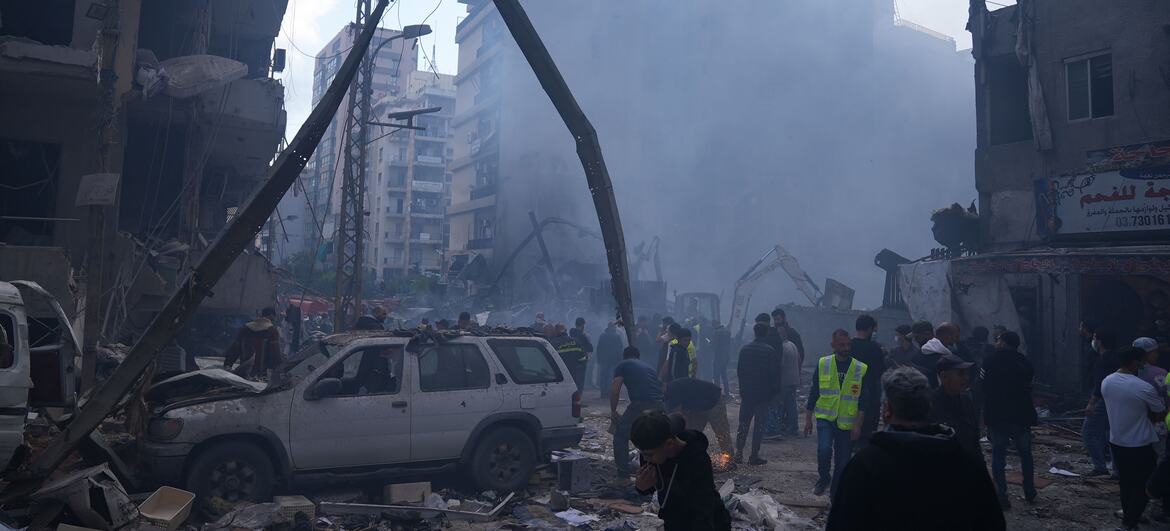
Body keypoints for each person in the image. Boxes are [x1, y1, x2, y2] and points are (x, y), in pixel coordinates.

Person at [826, 367, 1005, 531]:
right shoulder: (967, 463)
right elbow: (993, 522)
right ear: (929, 407)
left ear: (887, 410)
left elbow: (842, 523)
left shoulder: (865, 466)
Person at [631, 411, 732, 531]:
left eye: (649, 455)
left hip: (709, 523)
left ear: (669, 444)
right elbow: (652, 487)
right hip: (674, 520)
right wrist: (641, 487)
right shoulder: (651, 450)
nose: (645, 459)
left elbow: (704, 505)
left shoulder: (696, 459)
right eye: (642, 454)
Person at [1101, 346, 1166, 531]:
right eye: (1142, 361)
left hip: (1117, 440)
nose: (1144, 365)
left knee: (1126, 482)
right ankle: (1130, 521)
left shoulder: (1107, 381)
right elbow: (1159, 414)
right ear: (1135, 362)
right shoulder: (1143, 388)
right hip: (1139, 443)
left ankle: (1130, 516)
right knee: (1145, 484)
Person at [805, 329, 868, 497]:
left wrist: (857, 425)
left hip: (847, 422)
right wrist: (808, 418)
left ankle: (836, 493)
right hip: (825, 417)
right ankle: (824, 478)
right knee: (824, 450)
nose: (846, 348)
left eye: (848, 344)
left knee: (843, 461)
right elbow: (814, 392)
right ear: (833, 345)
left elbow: (863, 400)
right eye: (842, 344)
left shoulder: (859, 368)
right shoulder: (823, 363)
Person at [982, 331, 1038, 510]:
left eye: (998, 339)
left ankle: (1002, 495)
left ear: (1004, 343)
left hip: (998, 416)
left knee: (998, 455)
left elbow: (983, 386)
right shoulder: (1025, 363)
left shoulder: (990, 361)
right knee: (1025, 454)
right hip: (1021, 416)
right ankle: (1029, 490)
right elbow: (1029, 385)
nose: (996, 342)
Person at [610, 346, 665, 476]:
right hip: (660, 404)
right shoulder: (648, 366)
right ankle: (654, 470)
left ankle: (623, 474)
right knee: (651, 436)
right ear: (638, 356)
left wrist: (613, 411)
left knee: (620, 435)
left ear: (624, 356)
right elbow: (661, 387)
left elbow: (615, 390)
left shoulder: (622, 365)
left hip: (641, 404)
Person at [735, 323, 780, 465]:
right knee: (759, 426)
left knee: (743, 424)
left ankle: (738, 453)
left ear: (755, 332)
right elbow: (773, 374)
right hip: (763, 396)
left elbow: (740, 372)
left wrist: (743, 390)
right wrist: (774, 392)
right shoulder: (770, 351)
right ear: (766, 333)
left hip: (747, 394)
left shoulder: (745, 349)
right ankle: (754, 455)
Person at [929, 353, 983, 463]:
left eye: (966, 373)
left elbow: (974, 440)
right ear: (944, 377)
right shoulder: (930, 403)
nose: (966, 378)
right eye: (961, 374)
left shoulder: (966, 401)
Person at [664, 377, 734, 457]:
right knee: (692, 433)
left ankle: (729, 459)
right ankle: (692, 457)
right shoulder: (668, 392)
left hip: (714, 401)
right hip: (697, 408)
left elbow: (680, 417)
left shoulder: (673, 391)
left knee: (722, 433)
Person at [1084, 328, 1120, 476]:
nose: (1093, 340)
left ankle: (1100, 466)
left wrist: (1091, 403)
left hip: (1102, 400)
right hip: (1116, 401)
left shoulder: (1103, 359)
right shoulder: (1116, 357)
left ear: (1099, 341)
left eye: (1094, 337)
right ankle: (1116, 470)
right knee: (1112, 433)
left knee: (1088, 432)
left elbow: (1100, 385)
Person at [850, 314, 885, 450]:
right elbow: (881, 372)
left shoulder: (848, 346)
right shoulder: (875, 349)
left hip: (849, 398)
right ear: (870, 329)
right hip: (870, 398)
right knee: (866, 438)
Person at [224, 307, 283, 378]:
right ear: (271, 315)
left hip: (244, 373)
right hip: (261, 375)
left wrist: (228, 364)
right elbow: (275, 353)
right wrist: (280, 368)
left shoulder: (246, 328)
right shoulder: (272, 330)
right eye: (275, 316)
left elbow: (235, 348)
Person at [776, 324, 802, 436]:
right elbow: (799, 361)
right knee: (791, 405)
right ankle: (793, 427)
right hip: (794, 379)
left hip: (785, 380)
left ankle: (779, 426)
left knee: (781, 404)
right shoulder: (792, 345)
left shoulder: (783, 347)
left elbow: (780, 365)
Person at [551, 324, 588, 392]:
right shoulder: (575, 341)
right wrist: (579, 365)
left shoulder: (553, 343)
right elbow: (583, 357)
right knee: (575, 389)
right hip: (575, 371)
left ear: (555, 331)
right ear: (565, 330)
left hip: (561, 372)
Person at [595, 322, 624, 396]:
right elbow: (620, 349)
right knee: (610, 376)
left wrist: (598, 358)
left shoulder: (602, 336)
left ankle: (603, 393)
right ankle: (608, 393)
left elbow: (599, 348)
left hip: (604, 359)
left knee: (603, 376)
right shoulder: (617, 336)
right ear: (614, 328)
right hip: (614, 360)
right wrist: (620, 359)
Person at [570, 317, 596, 389]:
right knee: (580, 378)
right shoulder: (583, 336)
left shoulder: (571, 334)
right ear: (582, 325)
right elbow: (590, 348)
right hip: (581, 359)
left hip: (572, 359)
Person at [711, 322, 732, 395]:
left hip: (718, 356)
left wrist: (710, 344)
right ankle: (727, 392)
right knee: (724, 374)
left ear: (715, 325)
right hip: (726, 356)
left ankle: (717, 392)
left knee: (716, 375)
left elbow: (714, 346)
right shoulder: (727, 331)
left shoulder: (717, 332)